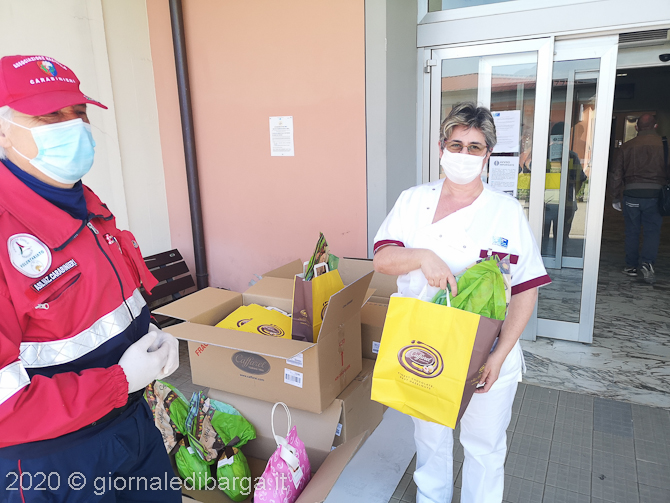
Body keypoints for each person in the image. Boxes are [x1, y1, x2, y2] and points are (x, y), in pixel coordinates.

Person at [0, 55, 181, 501]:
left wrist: (151, 339)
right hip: (52, 463)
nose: (73, 127)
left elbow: (102, 307)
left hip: (132, 426)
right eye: (49, 115)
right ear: (4, 128)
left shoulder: (84, 203)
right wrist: (119, 381)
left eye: (78, 113)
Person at [373, 102, 550, 503]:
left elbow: (525, 288)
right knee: (431, 439)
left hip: (485, 351)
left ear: (488, 154)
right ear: (441, 148)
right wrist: (421, 256)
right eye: (456, 144)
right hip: (425, 347)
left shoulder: (505, 213)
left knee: (484, 446)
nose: (464, 155)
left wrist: (499, 355)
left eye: (475, 146)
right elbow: (383, 258)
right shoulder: (414, 201)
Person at [609, 113, 669, 283]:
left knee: (632, 231)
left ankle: (631, 266)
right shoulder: (665, 145)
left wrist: (615, 197)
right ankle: (648, 263)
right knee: (652, 231)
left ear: (636, 127)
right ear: (655, 126)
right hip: (656, 195)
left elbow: (616, 174)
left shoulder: (626, 147)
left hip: (631, 195)